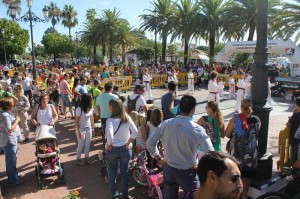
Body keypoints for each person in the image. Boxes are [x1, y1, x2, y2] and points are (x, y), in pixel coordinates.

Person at [147, 95, 214, 198]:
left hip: (168, 168)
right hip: (188, 171)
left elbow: (150, 143)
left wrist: (158, 157)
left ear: (179, 107)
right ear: (193, 110)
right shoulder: (197, 129)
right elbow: (210, 152)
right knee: (197, 196)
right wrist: (200, 165)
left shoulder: (165, 124)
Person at [225, 99, 260, 199]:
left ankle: (235, 195)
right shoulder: (256, 119)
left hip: (236, 151)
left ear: (241, 107)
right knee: (247, 175)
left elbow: (227, 134)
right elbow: (257, 133)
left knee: (236, 174)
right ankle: (244, 196)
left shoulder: (236, 118)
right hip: (251, 151)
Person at [106, 99, 138, 199]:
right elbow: (135, 132)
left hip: (113, 150)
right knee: (125, 173)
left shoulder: (110, 120)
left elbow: (110, 136)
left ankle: (114, 194)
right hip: (125, 149)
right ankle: (125, 195)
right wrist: (128, 142)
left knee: (112, 172)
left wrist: (109, 144)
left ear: (112, 108)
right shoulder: (127, 118)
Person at [0, 97, 23, 186]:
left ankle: (14, 176)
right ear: (9, 106)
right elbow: (9, 129)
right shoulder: (5, 116)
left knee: (12, 159)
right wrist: (17, 121)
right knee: (11, 160)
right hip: (9, 141)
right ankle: (13, 181)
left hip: (8, 140)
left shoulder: (3, 113)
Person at [75, 93, 95, 166]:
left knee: (88, 144)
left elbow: (91, 118)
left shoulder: (91, 108)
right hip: (81, 129)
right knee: (81, 144)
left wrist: (93, 128)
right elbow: (76, 121)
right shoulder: (79, 109)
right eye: (91, 99)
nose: (92, 100)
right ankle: (78, 159)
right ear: (87, 100)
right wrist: (79, 131)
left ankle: (87, 159)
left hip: (88, 128)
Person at [286, 97, 300, 165]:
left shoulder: (296, 115)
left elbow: (288, 124)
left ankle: (293, 171)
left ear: (297, 105)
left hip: (295, 140)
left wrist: (294, 114)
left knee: (294, 157)